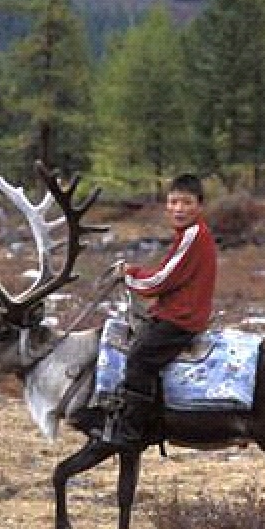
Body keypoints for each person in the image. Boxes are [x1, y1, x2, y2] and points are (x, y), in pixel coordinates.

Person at [103, 173, 218, 449]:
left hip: (182, 319)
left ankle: (133, 431)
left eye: (186, 203)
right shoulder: (189, 235)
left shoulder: (193, 235)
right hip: (176, 313)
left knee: (139, 357)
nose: (179, 209)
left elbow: (162, 279)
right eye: (174, 202)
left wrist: (129, 275)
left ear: (199, 206)